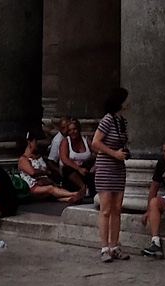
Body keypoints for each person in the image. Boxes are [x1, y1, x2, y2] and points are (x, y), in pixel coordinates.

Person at [92, 87, 129, 262]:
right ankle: (104, 247)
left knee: (117, 209)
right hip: (106, 166)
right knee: (105, 209)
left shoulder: (122, 121)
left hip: (119, 167)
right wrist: (114, 153)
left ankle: (115, 245)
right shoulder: (107, 120)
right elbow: (95, 142)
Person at [14, 135, 77, 204]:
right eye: (35, 141)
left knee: (55, 189)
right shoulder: (23, 159)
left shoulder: (38, 157)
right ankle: (74, 194)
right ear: (29, 143)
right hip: (32, 187)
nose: (37, 143)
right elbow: (32, 172)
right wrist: (45, 172)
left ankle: (70, 198)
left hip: (43, 183)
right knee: (50, 189)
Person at [49, 116, 94, 198]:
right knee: (67, 169)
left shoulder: (86, 140)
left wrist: (95, 166)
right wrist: (78, 168)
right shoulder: (65, 141)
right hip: (72, 172)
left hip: (85, 169)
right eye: (70, 130)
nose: (72, 132)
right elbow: (64, 159)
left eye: (74, 129)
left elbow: (98, 153)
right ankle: (84, 187)